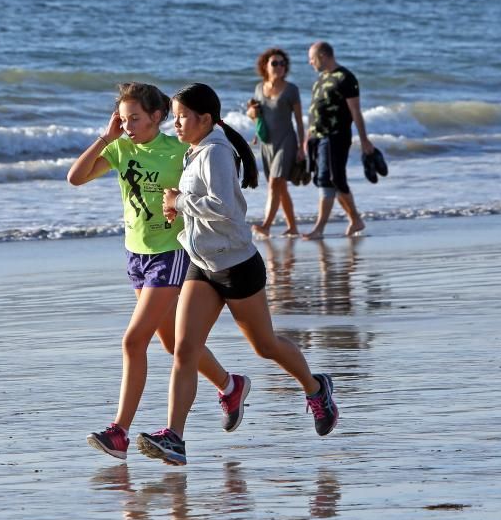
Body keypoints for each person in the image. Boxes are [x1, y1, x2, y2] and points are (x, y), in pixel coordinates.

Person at [137, 82, 338, 467]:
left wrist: (180, 201)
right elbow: (205, 207)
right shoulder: (195, 150)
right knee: (184, 349)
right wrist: (179, 211)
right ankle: (174, 437)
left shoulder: (215, 152)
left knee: (265, 346)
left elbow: (225, 210)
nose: (175, 124)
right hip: (203, 265)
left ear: (205, 119)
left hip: (236, 266)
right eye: (174, 117)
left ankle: (316, 388)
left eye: (181, 117)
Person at [67, 82, 250, 461]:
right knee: (170, 343)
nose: (128, 125)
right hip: (137, 255)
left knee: (133, 340)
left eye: (135, 118)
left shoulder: (179, 150)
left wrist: (187, 206)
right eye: (123, 119)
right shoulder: (120, 148)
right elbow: (76, 177)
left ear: (157, 116)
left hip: (172, 253)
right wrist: (106, 138)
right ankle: (230, 386)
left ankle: (119, 432)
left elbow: (214, 179)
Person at [302, 42, 374, 239]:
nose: (310, 62)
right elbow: (314, 112)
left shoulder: (345, 78)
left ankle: (320, 228)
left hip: (336, 137)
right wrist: (307, 138)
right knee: (325, 180)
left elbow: (355, 111)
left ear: (323, 56)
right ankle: (355, 220)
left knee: (334, 180)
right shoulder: (320, 80)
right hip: (317, 138)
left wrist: (364, 140)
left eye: (312, 58)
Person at [246, 48, 305, 238]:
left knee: (274, 183)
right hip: (266, 143)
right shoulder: (258, 88)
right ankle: (293, 227)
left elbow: (298, 119)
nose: (279, 67)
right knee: (281, 187)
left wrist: (302, 146)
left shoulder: (291, 89)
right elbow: (257, 116)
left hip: (286, 140)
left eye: (282, 63)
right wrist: (255, 125)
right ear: (265, 65)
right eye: (275, 63)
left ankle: (266, 225)